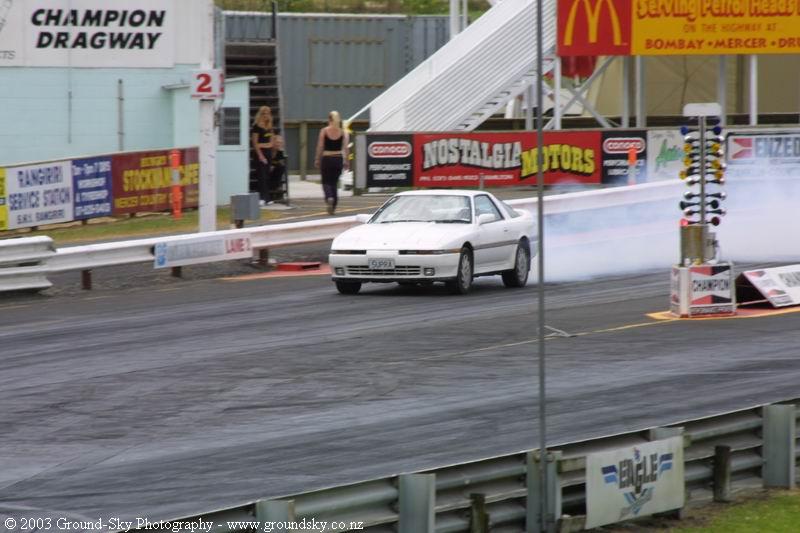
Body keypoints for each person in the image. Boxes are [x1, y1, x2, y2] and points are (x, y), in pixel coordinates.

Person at [314, 110, 349, 215]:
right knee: (334, 182)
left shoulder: (324, 131)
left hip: (327, 158)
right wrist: (347, 161)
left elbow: (320, 146)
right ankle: (333, 206)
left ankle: (329, 197)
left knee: (326, 181)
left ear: (329, 119)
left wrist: (317, 159)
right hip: (338, 159)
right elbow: (346, 148)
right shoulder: (343, 132)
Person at [251, 106, 274, 206]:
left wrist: (262, 144)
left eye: (267, 113)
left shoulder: (270, 127)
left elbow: (271, 143)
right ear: (260, 115)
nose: (266, 116)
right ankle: (261, 197)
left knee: (267, 176)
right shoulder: (256, 127)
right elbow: (255, 143)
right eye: (264, 114)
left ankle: (267, 198)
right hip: (260, 154)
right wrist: (260, 155)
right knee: (261, 176)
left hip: (268, 153)